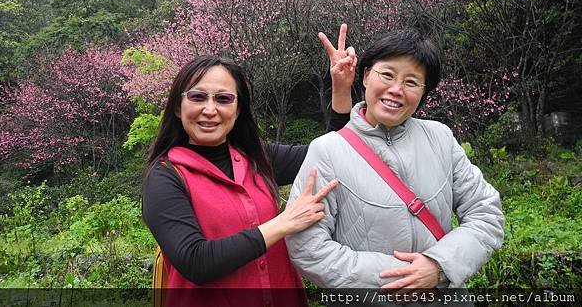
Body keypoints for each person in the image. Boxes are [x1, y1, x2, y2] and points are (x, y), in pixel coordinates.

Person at [142, 26, 356, 306]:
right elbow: (195, 261)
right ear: (177, 107)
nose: (210, 109)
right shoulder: (165, 176)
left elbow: (331, 153)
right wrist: (284, 223)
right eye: (197, 97)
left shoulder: (257, 157)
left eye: (223, 98)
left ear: (238, 108)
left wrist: (340, 89)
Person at [286, 29, 505, 291]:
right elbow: (307, 247)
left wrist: (438, 266)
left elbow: (486, 214)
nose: (396, 89)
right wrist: (402, 276)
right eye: (387, 75)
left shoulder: (441, 139)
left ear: (424, 92)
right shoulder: (327, 151)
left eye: (411, 82)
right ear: (366, 76)